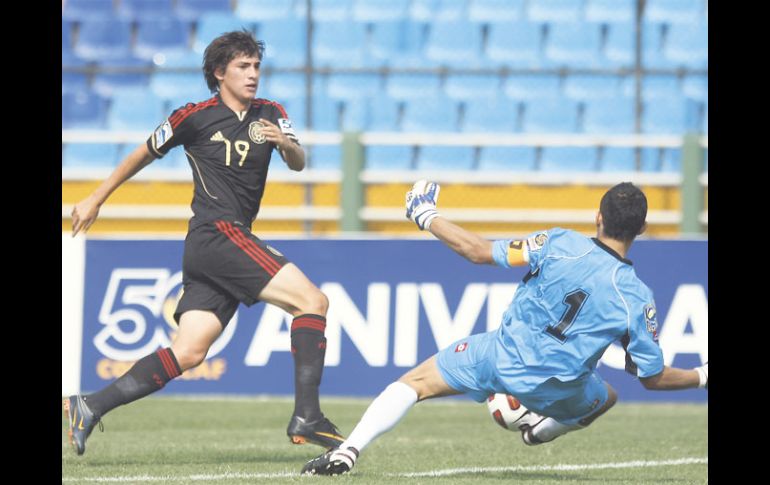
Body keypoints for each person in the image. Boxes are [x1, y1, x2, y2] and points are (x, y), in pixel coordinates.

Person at [301, 180, 708, 475]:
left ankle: (348, 451)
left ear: (598, 217)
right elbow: (654, 379)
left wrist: (426, 215)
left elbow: (478, 252)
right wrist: (703, 375)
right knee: (606, 397)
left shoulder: (558, 243)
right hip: (561, 386)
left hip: (500, 358)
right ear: (641, 228)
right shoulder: (636, 296)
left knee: (413, 383)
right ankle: (538, 433)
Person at [64, 30, 345, 456]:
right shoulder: (192, 116)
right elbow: (142, 152)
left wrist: (284, 143)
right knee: (313, 302)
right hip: (219, 234)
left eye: (256, 67)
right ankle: (308, 415)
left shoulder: (272, 112)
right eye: (243, 67)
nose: (253, 75)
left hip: (215, 245)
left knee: (190, 351)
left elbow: (298, 163)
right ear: (219, 73)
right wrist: (95, 197)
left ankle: (88, 405)